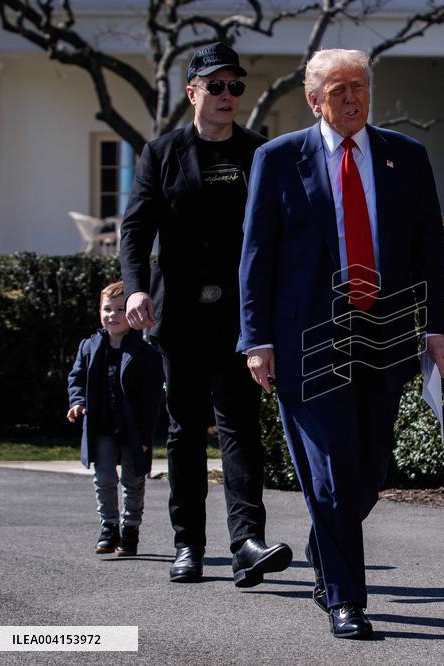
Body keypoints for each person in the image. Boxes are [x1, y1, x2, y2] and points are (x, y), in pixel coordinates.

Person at [239, 48, 444, 639]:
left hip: (383, 335)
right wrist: (256, 339)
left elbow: (428, 250)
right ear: (314, 100)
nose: (352, 99)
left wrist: (436, 327)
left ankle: (323, 548)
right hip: (306, 340)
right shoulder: (277, 160)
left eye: (359, 87)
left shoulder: (405, 157)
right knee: (330, 472)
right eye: (338, 91)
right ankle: (347, 600)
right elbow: (255, 257)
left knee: (370, 467)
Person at [120, 42, 292, 585]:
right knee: (185, 431)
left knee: (241, 427)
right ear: (192, 92)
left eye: (235, 86)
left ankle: (245, 542)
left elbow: (278, 234)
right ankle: (188, 545)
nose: (226, 95)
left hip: (240, 316)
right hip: (180, 317)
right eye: (215, 86)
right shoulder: (161, 154)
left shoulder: (259, 153)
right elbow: (135, 229)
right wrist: (134, 289)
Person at [67, 281, 164, 557]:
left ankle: (130, 530)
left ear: (132, 313)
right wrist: (77, 402)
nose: (113, 315)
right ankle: (109, 527)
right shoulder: (90, 346)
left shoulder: (145, 353)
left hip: (133, 429)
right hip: (102, 427)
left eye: (120, 309)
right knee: (104, 478)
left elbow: (151, 400)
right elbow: (77, 379)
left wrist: (146, 437)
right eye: (107, 309)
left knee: (133, 481)